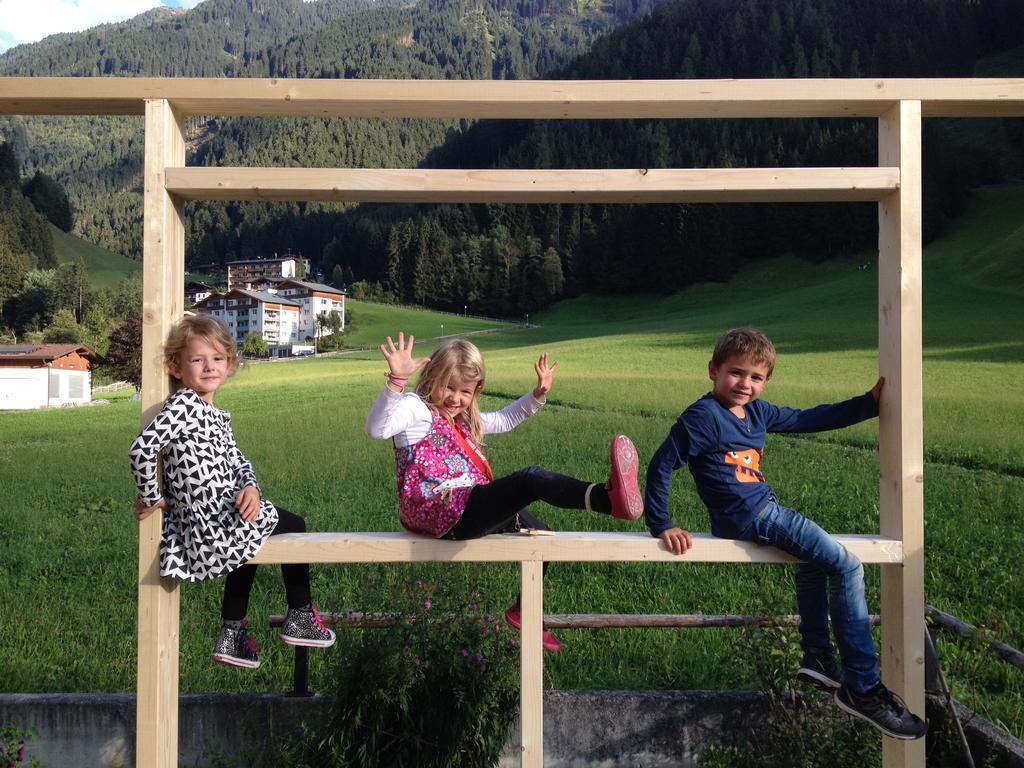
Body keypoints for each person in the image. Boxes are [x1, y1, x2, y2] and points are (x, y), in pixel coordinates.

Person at [643, 327, 926, 740]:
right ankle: (863, 688)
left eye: (756, 377)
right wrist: (662, 523)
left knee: (815, 564)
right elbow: (662, 464)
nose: (745, 384)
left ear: (766, 382)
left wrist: (867, 405)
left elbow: (808, 418)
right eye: (736, 373)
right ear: (713, 371)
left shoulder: (758, 413)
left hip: (761, 512)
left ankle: (817, 656)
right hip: (754, 514)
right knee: (847, 567)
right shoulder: (702, 418)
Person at [365, 332, 643, 652]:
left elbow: (505, 419)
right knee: (529, 480)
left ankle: (523, 611)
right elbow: (376, 429)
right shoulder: (416, 409)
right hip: (442, 510)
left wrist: (537, 395)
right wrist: (397, 380)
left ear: (476, 390)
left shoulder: (463, 422)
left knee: (542, 534)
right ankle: (607, 499)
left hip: (467, 506)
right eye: (448, 387)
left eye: (465, 391)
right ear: (429, 378)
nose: (455, 398)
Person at [129, 314, 335, 670]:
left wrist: (251, 487)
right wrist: (151, 497)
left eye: (217, 359)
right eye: (197, 360)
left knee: (251, 530)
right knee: (294, 524)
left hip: (224, 517)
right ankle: (300, 615)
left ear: (230, 364)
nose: (209, 367)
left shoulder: (214, 415)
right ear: (176, 368)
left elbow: (239, 462)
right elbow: (142, 448)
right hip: (211, 523)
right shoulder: (183, 406)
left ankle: (233, 633)